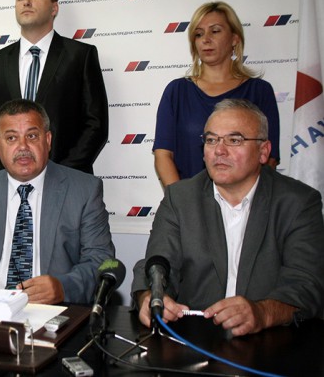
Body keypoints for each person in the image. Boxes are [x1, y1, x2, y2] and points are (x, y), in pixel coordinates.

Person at [132, 99, 324, 336]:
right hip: (196, 338)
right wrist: (149, 296)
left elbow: (307, 283)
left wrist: (263, 313)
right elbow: (158, 266)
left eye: (234, 140)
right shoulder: (180, 199)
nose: (219, 151)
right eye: (211, 140)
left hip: (272, 339)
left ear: (263, 151)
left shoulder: (298, 202)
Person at [0, 99, 115, 304]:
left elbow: (102, 261)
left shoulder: (84, 190)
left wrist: (63, 287)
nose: (23, 147)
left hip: (55, 309)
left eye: (32, 136)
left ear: (47, 140)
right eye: (11, 138)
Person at [0, 0, 108, 176]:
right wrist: (2, 174)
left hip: (66, 180)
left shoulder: (80, 55)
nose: (26, 2)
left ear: (54, 8)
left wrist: (63, 174)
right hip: (9, 182)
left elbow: (95, 124)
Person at [153, 1, 280, 187]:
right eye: (199, 34)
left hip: (245, 201)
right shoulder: (177, 92)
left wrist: (244, 200)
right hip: (189, 201)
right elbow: (163, 155)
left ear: (235, 38)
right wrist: (181, 200)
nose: (206, 39)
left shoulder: (260, 91)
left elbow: (269, 158)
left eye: (215, 31)